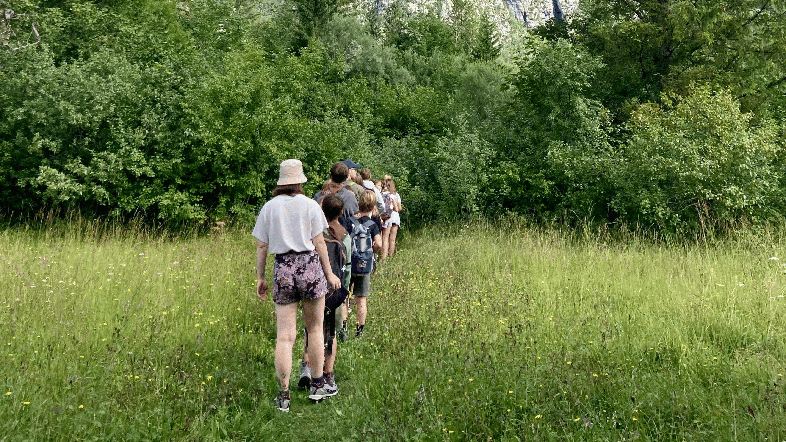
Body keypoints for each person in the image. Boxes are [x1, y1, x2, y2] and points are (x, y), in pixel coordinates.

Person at [252, 159, 341, 412]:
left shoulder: (269, 207)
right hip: (310, 267)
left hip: (283, 268)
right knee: (315, 329)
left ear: (281, 182)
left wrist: (261, 277)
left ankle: (283, 396)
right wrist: (329, 274)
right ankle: (317, 385)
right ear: (300, 181)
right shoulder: (311, 205)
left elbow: (262, 245)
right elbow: (320, 242)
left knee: (284, 336)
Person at [298, 194, 350, 397]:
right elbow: (347, 266)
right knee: (331, 333)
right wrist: (345, 291)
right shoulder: (344, 236)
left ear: (321, 210)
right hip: (334, 290)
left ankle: (307, 367)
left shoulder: (313, 232)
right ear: (341, 213)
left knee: (312, 329)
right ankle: (328, 374)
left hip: (314, 288)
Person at [347, 190, 382, 337]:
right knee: (361, 299)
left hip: (349, 264)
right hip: (364, 265)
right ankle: (359, 331)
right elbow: (379, 244)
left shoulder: (349, 221)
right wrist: (372, 252)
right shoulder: (373, 224)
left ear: (358, 203)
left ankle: (343, 329)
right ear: (373, 206)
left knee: (345, 297)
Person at [382, 178, 403, 259]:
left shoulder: (384, 194)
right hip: (396, 217)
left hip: (388, 217)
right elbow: (399, 208)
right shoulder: (397, 195)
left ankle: (384, 258)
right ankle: (391, 257)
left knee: (385, 238)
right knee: (393, 239)